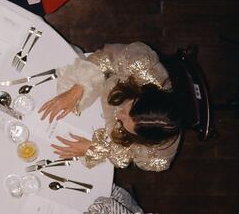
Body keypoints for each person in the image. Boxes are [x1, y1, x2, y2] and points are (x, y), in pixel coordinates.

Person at [39, 41, 182, 171]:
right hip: (98, 85)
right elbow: (105, 57)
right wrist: (78, 88)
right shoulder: (141, 65)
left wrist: (96, 148)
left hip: (94, 123)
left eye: (125, 122)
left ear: (142, 139)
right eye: (129, 107)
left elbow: (126, 155)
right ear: (143, 95)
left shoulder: (156, 157)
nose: (119, 114)